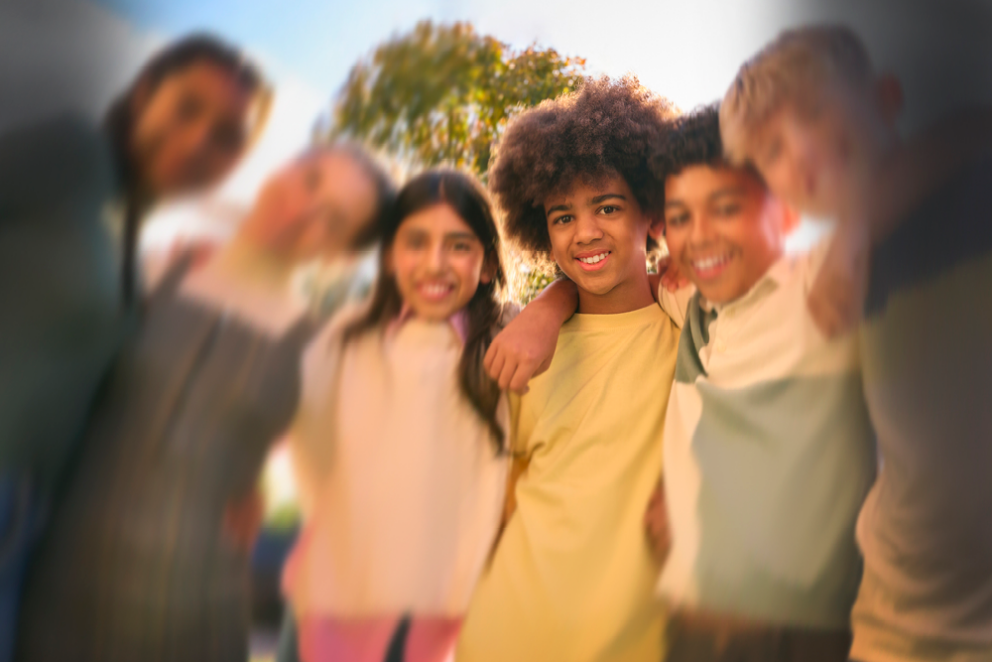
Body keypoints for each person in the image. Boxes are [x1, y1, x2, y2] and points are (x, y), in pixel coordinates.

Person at [14, 142, 395, 662]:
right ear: (286, 166)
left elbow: (331, 489)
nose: (303, 211)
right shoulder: (148, 269)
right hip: (59, 591)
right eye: (310, 180)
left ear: (339, 253)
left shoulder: (317, 348)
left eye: (331, 220)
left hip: (197, 620)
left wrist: (254, 480)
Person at [720, 24, 992, 662]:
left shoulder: (967, 193)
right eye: (772, 151)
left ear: (887, 98)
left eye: (814, 110)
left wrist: (863, 221)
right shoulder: (827, 277)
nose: (802, 151)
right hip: (899, 617)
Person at [0, 33, 269, 662]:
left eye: (228, 134)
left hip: (29, 522)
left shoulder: (122, 227)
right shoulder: (70, 153)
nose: (201, 139)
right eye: (186, 108)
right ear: (144, 93)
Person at [455, 76, 681, 662]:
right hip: (507, 635)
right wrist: (551, 303)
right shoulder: (525, 350)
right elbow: (502, 499)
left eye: (607, 207)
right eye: (562, 217)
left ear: (651, 215)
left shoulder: (690, 330)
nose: (584, 232)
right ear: (542, 231)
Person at [280, 169, 510, 662]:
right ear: (388, 256)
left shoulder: (505, 340)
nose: (435, 263)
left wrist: (555, 303)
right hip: (337, 595)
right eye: (416, 242)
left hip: (440, 607)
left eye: (458, 246)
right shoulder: (349, 338)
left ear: (488, 263)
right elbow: (300, 436)